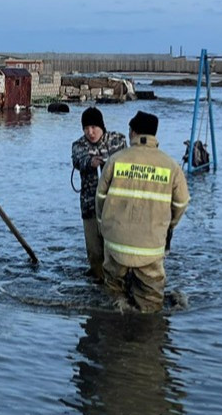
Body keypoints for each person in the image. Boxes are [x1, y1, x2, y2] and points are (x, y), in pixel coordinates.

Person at [96, 111, 190, 312]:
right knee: (150, 302)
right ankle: (148, 333)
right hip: (150, 247)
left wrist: (103, 225)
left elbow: (100, 198)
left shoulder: (116, 160)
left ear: (133, 132)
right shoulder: (171, 166)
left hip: (115, 243)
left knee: (113, 293)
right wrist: (168, 226)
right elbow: (182, 203)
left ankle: (113, 328)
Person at [71, 107, 127, 281]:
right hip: (90, 206)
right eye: (86, 128)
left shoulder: (117, 140)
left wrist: (108, 163)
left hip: (115, 207)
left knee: (116, 251)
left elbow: (126, 161)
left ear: (102, 126)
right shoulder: (79, 145)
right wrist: (91, 162)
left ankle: (116, 282)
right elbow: (79, 160)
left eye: (94, 127)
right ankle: (97, 280)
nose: (90, 132)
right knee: (94, 252)